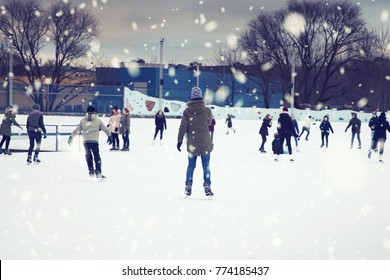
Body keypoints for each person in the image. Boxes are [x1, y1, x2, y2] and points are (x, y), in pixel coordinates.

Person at [177, 86, 214, 198]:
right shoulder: (207, 110)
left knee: (191, 165)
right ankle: (207, 187)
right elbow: (210, 121)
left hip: (192, 143)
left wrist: (179, 140)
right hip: (205, 142)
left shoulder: (187, 111)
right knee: (206, 165)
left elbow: (183, 127)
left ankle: (188, 186)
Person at [68, 106, 112, 179]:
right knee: (96, 156)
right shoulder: (98, 120)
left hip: (85, 141)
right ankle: (98, 172)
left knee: (88, 155)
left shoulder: (83, 120)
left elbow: (77, 129)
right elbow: (105, 129)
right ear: (94, 112)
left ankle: (91, 170)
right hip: (94, 141)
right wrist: (109, 136)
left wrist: (71, 137)